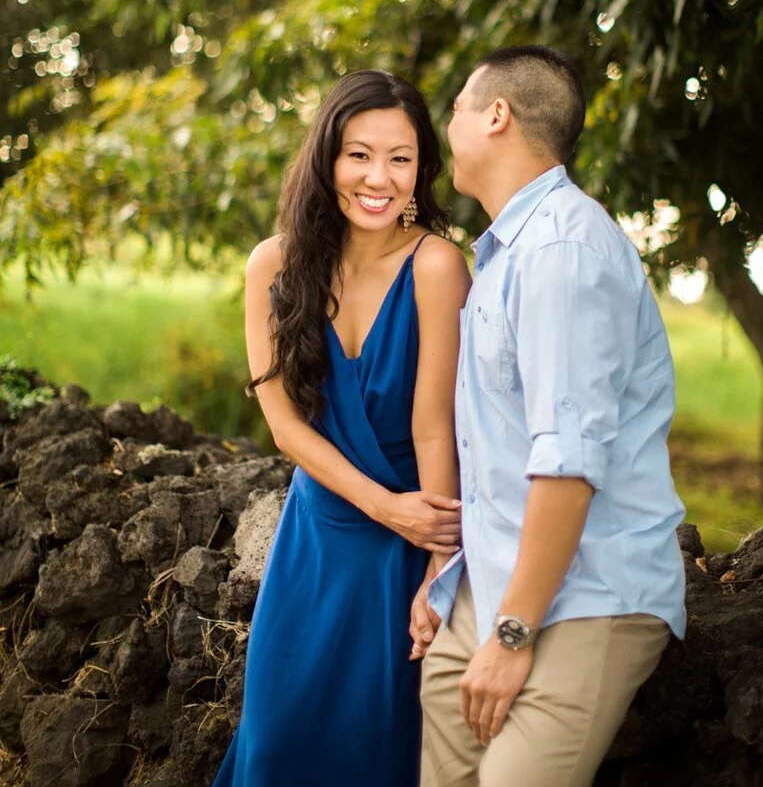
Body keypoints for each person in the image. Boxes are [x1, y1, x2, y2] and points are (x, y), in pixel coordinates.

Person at [412, 45, 686, 787]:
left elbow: (568, 464)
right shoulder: (507, 252)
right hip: (491, 589)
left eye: (460, 105)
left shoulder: (563, 251)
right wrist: (457, 581)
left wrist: (510, 632)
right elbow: (498, 444)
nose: (449, 124)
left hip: (586, 600)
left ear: (496, 115)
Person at [213, 69, 471, 787]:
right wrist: (384, 505)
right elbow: (285, 426)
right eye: (359, 154)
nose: (378, 177)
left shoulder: (438, 266)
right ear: (327, 158)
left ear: (422, 168)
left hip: (406, 547)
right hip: (317, 539)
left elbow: (434, 429)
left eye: (401, 157)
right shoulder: (273, 262)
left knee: (376, 749)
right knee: (277, 744)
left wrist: (437, 571)